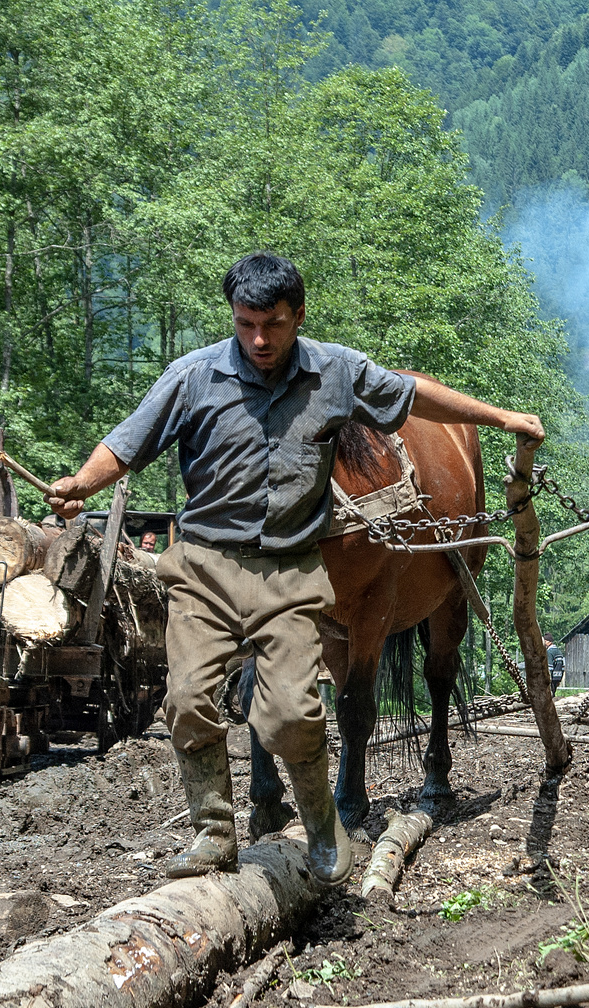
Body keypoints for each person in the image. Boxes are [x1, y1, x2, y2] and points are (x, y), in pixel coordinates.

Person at [46, 252, 544, 886]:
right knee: (190, 702)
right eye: (246, 323)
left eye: (273, 325)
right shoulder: (192, 376)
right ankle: (213, 832)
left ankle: (322, 823)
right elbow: (127, 442)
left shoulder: (334, 373)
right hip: (206, 565)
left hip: (288, 568)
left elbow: (414, 394)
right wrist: (82, 484)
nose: (258, 339)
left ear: (298, 316)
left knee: (286, 714)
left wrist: (498, 418)